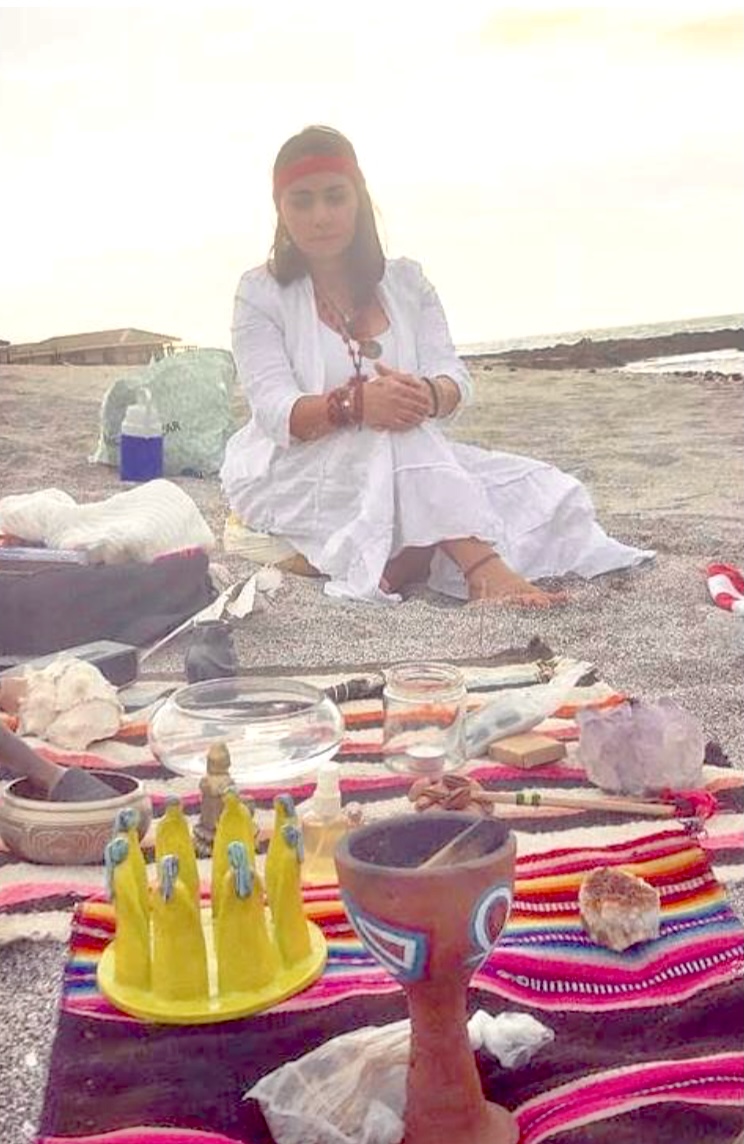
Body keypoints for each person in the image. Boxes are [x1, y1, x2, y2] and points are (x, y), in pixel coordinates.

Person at [220, 126, 653, 606]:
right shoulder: (259, 293)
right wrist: (357, 405)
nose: (320, 216)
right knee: (392, 436)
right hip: (293, 470)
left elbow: (454, 377)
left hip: (406, 460)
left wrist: (424, 395)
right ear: (280, 209)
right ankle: (482, 569)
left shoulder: (407, 282)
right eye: (301, 201)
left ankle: (415, 554)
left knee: (544, 491)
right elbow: (274, 411)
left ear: (359, 199)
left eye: (335, 197)